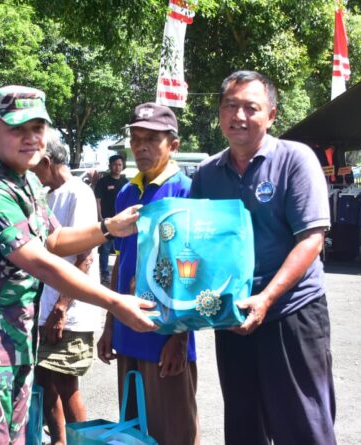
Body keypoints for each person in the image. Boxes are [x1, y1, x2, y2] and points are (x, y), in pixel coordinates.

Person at [0, 85, 156, 445]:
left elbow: (54, 240)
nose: (31, 139)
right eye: (17, 129)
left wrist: (109, 227)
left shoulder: (25, 181)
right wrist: (115, 302)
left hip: (17, 343)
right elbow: (41, 262)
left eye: (37, 128)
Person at [190, 70, 335, 444]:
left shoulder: (294, 160)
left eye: (250, 108)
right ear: (219, 114)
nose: (239, 116)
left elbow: (311, 240)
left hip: (291, 311)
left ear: (271, 115)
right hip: (233, 314)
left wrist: (267, 298)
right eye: (230, 106)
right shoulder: (208, 173)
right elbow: (195, 245)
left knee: (303, 423)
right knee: (243, 425)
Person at [97, 102, 199, 445]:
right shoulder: (126, 192)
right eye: (135, 138)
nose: (140, 146)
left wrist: (180, 337)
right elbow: (120, 261)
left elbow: (195, 271)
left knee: (176, 431)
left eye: (151, 139)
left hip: (165, 334)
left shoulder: (187, 191)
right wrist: (110, 324)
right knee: (134, 431)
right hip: (128, 331)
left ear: (174, 145)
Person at [30, 129, 101, 445]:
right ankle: (59, 440)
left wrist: (61, 307)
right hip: (47, 307)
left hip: (70, 310)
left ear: (46, 161)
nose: (31, 172)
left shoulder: (78, 193)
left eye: (34, 165)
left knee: (65, 382)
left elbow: (85, 256)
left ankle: (78, 441)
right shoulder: (46, 196)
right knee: (44, 381)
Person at [94, 154, 128, 284]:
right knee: (105, 249)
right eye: (115, 164)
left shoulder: (126, 183)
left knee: (121, 248)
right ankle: (104, 273)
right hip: (107, 221)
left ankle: (120, 273)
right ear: (110, 166)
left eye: (120, 164)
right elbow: (98, 200)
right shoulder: (103, 182)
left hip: (122, 221)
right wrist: (100, 216)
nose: (117, 167)